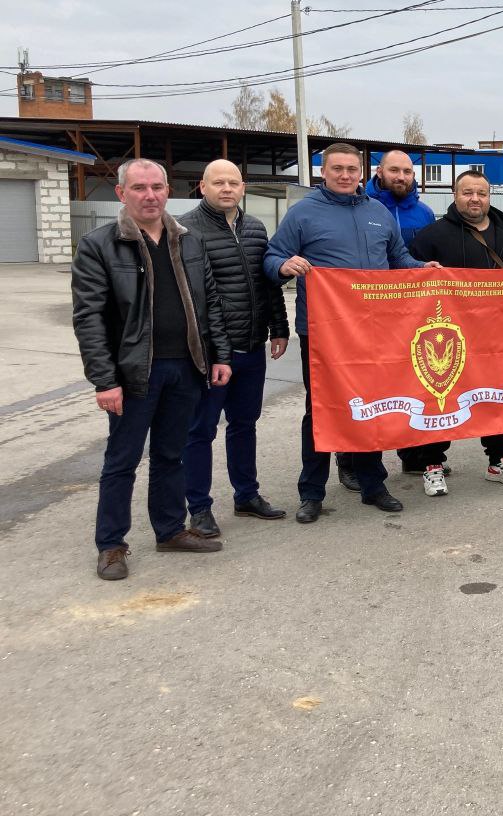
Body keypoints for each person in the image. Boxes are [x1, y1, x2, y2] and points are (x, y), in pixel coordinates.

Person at [72, 159, 232, 580]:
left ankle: (170, 530)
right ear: (121, 193)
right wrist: (105, 380)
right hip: (134, 373)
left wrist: (220, 356)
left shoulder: (189, 241)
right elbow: (89, 319)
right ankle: (111, 545)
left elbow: (210, 304)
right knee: (121, 460)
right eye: (139, 188)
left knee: (170, 454)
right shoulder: (99, 245)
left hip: (186, 367)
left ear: (168, 191)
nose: (150, 196)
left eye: (157, 187)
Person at [263, 143, 424, 524]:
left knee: (372, 406)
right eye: (337, 168)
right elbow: (272, 256)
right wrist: (283, 265)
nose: (345, 175)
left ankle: (373, 485)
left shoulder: (377, 211)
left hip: (374, 331)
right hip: (324, 333)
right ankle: (311, 493)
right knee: (321, 411)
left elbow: (399, 259)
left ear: (362, 172)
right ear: (324, 172)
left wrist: (425, 269)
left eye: (352, 169)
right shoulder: (303, 213)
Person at [405, 170, 503, 495]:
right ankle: (432, 464)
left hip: (498, 340)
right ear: (455, 195)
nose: (475, 199)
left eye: (481, 194)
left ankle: (498, 460)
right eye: (467, 193)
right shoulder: (431, 237)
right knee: (440, 398)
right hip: (448, 338)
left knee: (493, 398)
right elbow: (407, 282)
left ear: (489, 197)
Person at [179, 159, 291, 536]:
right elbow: (196, 300)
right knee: (200, 431)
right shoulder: (187, 230)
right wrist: (218, 351)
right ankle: (199, 508)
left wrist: (279, 328)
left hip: (252, 347)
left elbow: (268, 283)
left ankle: (246, 495)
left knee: (244, 425)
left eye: (233, 182)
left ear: (243, 188)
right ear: (203, 186)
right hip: (211, 355)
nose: (227, 188)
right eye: (218, 182)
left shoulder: (255, 228)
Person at [340, 148, 438, 481]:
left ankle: (412, 455)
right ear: (379, 172)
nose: (401, 177)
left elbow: (413, 258)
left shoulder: (424, 213)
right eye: (394, 170)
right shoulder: (361, 207)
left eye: (407, 172)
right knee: (360, 389)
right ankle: (351, 462)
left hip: (409, 313)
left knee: (409, 384)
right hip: (362, 313)